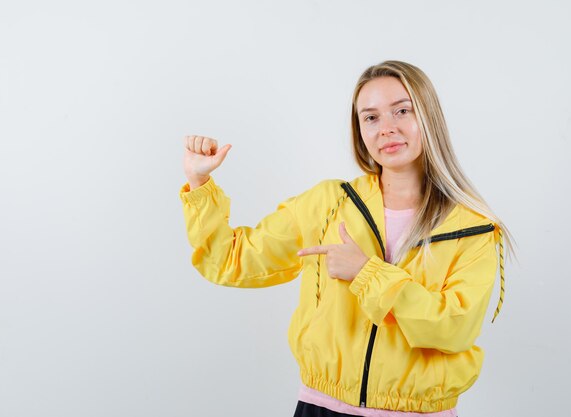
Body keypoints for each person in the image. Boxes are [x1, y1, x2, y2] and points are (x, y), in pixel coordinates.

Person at [179, 60, 515, 417]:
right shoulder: (328, 203)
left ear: (428, 117)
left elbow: (454, 328)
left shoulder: (474, 227)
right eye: (370, 117)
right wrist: (199, 183)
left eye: (402, 110)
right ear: (359, 129)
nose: (386, 129)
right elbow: (231, 260)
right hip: (321, 407)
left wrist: (367, 273)